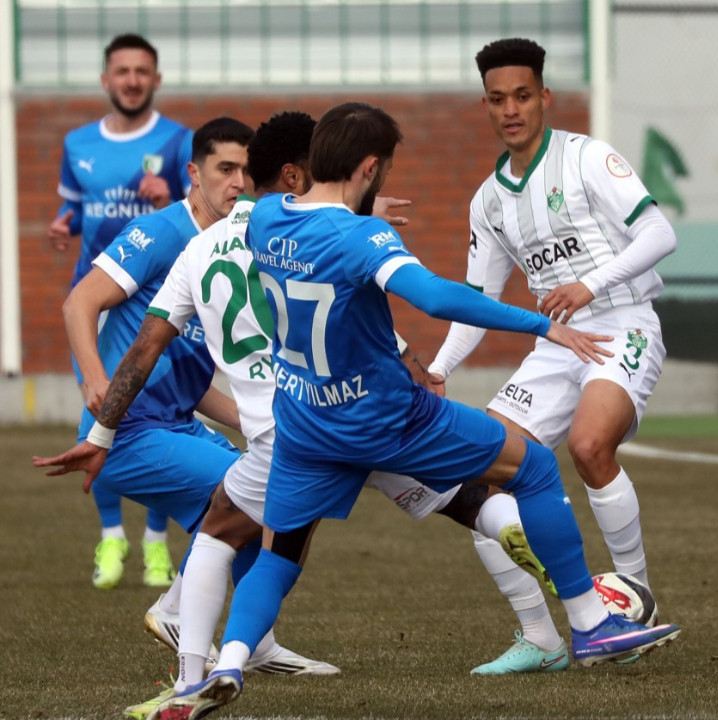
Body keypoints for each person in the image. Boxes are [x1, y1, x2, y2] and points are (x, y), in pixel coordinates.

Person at [147, 102, 681, 720]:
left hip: (304, 427)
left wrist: (356, 210)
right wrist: (542, 325)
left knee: (278, 554)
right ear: (370, 166)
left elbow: (300, 216)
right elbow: (433, 296)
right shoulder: (363, 238)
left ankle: (228, 664)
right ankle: (589, 624)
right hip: (385, 421)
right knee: (531, 466)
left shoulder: (266, 219)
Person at [34, 111, 561, 719]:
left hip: (286, 436)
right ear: (292, 175)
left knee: (223, 529)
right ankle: (555, 590)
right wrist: (413, 359)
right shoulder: (304, 239)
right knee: (466, 494)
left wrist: (101, 432)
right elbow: (345, 325)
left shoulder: (201, 249)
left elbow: (146, 347)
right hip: (352, 414)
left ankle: (194, 676)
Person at [427, 39, 679, 669]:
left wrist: (592, 285)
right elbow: (476, 302)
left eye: (521, 95)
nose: (510, 109)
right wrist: (436, 369)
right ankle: (541, 640)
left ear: (544, 97)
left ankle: (632, 599)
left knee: (592, 445)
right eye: (496, 99)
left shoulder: (588, 158)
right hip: (557, 341)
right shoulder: (488, 200)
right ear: (485, 105)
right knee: (477, 473)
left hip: (621, 324)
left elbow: (660, 232)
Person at [48, 33, 194, 590]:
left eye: (142, 71)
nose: (132, 79)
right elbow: (77, 202)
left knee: (163, 418)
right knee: (100, 413)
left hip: (161, 304)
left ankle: (157, 542)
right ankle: (111, 536)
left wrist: (163, 199)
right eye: (122, 71)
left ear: (155, 80)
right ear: (106, 79)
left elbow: (194, 212)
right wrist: (66, 222)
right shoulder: (78, 141)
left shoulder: (179, 142)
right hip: (98, 300)